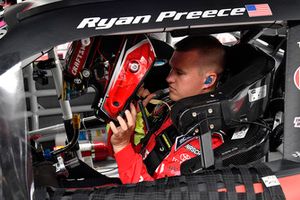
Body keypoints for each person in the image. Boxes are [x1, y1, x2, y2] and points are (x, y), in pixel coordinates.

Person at [109, 35, 226, 184]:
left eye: (180, 72)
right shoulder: (171, 110)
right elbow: (134, 155)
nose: (169, 78)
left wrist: (122, 146)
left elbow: (150, 196)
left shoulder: (207, 143)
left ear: (208, 80)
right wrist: (126, 128)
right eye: (171, 69)